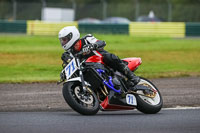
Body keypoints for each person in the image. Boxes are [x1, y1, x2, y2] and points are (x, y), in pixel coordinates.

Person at [58, 26, 140, 89]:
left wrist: (93, 45)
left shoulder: (87, 39)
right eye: (62, 40)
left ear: (72, 36)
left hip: (102, 61)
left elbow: (102, 42)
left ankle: (132, 77)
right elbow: (69, 65)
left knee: (109, 57)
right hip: (89, 69)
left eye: (65, 39)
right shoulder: (69, 54)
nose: (63, 42)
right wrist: (64, 73)